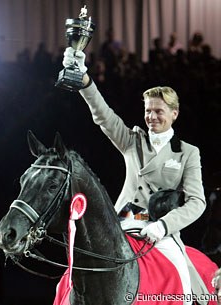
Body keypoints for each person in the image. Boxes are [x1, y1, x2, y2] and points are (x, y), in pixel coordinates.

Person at [60, 47, 211, 305]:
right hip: (122, 223)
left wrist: (164, 225)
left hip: (160, 230)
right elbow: (103, 116)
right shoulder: (132, 141)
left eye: (159, 111)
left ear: (174, 114)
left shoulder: (188, 153)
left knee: (183, 283)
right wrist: (85, 80)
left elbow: (197, 203)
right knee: (74, 275)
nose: (152, 117)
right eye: (148, 111)